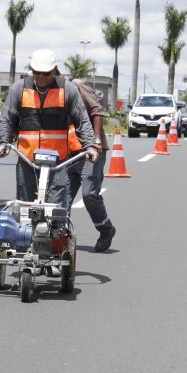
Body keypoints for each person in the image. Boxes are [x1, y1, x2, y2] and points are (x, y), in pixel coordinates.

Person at [0, 49, 99, 203]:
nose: (41, 77)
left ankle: (59, 227)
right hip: (27, 160)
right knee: (25, 209)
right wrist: (3, 141)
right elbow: (7, 119)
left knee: (55, 212)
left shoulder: (67, 89)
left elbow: (82, 120)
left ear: (54, 70)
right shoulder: (20, 88)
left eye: (46, 73)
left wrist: (90, 145)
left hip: (58, 163)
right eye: (37, 72)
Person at [48, 67, 116, 252]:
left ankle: (105, 228)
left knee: (89, 194)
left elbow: (97, 110)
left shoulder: (77, 85)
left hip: (89, 151)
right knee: (62, 200)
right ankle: (60, 241)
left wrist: (95, 142)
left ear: (55, 72)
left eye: (47, 74)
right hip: (68, 153)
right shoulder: (51, 93)